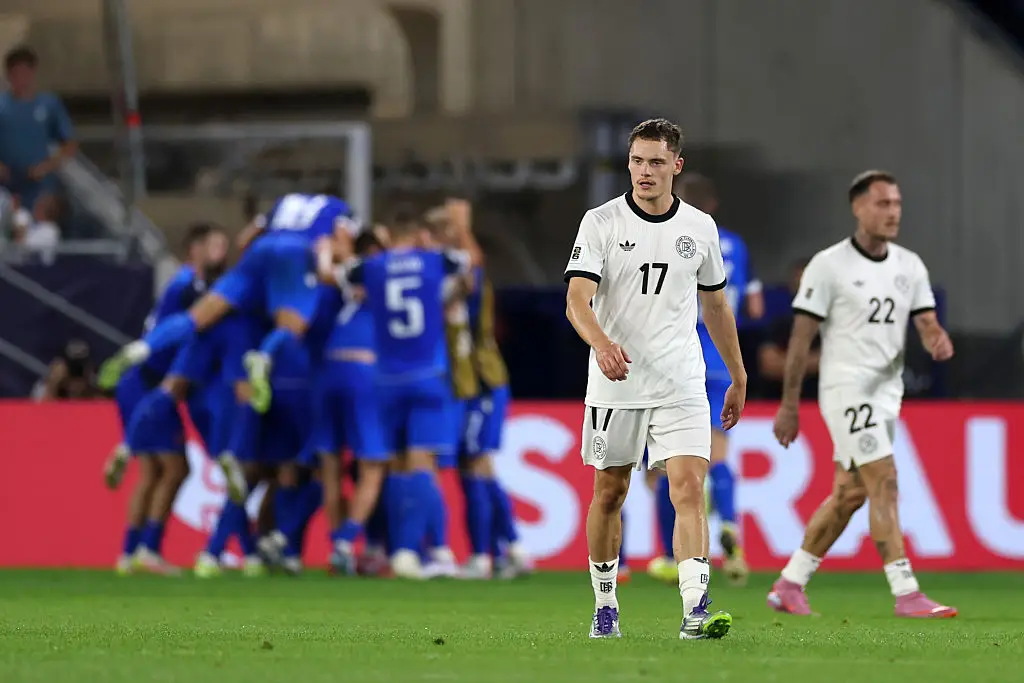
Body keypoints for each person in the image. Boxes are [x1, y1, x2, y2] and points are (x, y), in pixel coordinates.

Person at [564, 118, 745, 640]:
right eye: (638, 161)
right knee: (610, 492)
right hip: (617, 381)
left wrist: (737, 373)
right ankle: (605, 605)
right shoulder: (601, 222)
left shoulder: (700, 228)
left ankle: (695, 609)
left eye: (656, 162)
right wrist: (602, 344)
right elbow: (577, 300)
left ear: (676, 166)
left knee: (688, 487)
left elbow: (716, 306)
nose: (645, 171)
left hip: (681, 379)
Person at [769, 170, 957, 619]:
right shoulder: (829, 266)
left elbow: (925, 319)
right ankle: (906, 591)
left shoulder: (909, 265)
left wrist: (935, 336)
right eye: (883, 203)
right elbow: (800, 340)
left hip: (887, 392)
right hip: (846, 388)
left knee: (849, 494)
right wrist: (789, 405)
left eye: (897, 204)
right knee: (884, 479)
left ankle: (789, 583)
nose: (893, 212)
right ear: (858, 207)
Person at [97, 193, 357, 412]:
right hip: (297, 252)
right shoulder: (339, 209)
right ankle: (262, 358)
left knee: (196, 317)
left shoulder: (285, 202)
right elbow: (340, 247)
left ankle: (140, 348)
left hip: (261, 249)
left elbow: (244, 240)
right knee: (291, 327)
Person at [341, 208, 473, 579]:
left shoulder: (372, 266)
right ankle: (419, 551)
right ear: (417, 237)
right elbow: (465, 265)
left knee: (396, 465)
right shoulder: (433, 261)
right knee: (423, 466)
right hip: (427, 375)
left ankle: (400, 549)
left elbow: (343, 275)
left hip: (386, 380)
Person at [647, 172, 763, 587]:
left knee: (667, 462)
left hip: (679, 357)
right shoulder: (734, 244)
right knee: (719, 455)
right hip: (722, 359)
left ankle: (669, 555)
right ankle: (729, 522)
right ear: (712, 205)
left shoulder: (669, 238)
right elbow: (754, 307)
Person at [105, 223, 219, 575]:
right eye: (214, 245)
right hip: (148, 383)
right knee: (175, 467)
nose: (221, 252)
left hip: (138, 382)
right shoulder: (190, 287)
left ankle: (129, 553)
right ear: (195, 249)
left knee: (153, 470)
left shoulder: (183, 284)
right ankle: (148, 549)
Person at [304, 229, 391, 575]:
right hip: (363, 370)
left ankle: (338, 549)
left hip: (329, 371)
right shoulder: (387, 275)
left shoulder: (348, 284)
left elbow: (326, 272)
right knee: (373, 467)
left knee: (330, 468)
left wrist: (328, 251)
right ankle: (344, 543)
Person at [0, 46, 77, 218]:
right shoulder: (2, 106)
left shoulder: (49, 104)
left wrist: (46, 167)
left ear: (33, 73)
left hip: (39, 185)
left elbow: (69, 145)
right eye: (15, 74)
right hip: (6, 183)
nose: (21, 80)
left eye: (25, 73)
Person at [757, 258, 820, 400]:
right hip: (777, 402)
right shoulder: (779, 323)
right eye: (798, 283)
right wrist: (814, 361)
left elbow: (837, 365)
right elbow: (769, 366)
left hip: (820, 403)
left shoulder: (833, 325)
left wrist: (787, 362)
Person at [34, 339, 101, 401]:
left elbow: (103, 405)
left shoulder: (95, 382)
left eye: (80, 369)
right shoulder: (46, 386)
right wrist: (53, 385)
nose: (76, 373)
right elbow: (39, 408)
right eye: (73, 369)